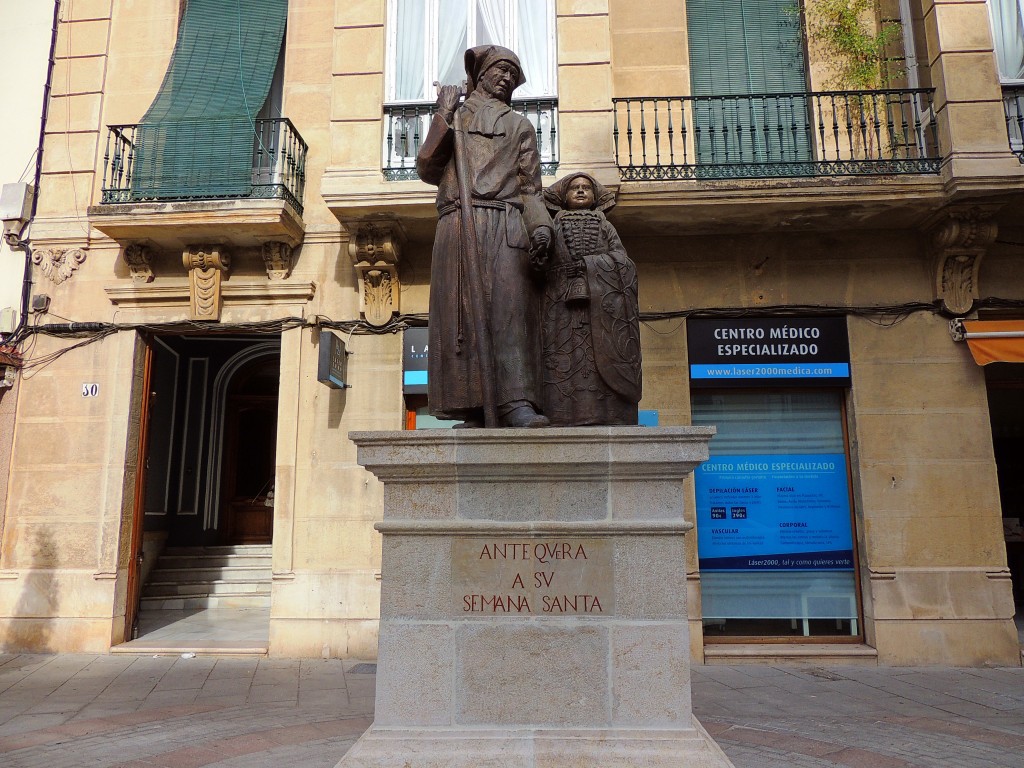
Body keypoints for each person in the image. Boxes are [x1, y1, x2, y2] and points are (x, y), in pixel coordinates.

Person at [417, 46, 553, 428]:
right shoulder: (456, 116)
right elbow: (427, 167)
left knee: (511, 312)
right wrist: (443, 112)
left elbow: (531, 190)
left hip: (506, 222)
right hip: (459, 222)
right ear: (481, 74)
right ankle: (472, 405)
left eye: (514, 72)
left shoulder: (520, 127)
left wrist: (541, 228)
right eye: (501, 69)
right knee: (458, 315)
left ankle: (516, 403)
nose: (507, 77)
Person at [539, 172, 642, 425]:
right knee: (562, 357)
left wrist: (590, 265)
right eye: (575, 188)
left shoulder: (605, 225)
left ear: (596, 196)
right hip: (560, 303)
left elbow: (623, 261)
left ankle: (607, 413)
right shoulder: (554, 224)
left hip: (601, 304)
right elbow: (542, 262)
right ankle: (562, 414)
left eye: (586, 188)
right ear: (564, 197)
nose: (581, 191)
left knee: (600, 357)